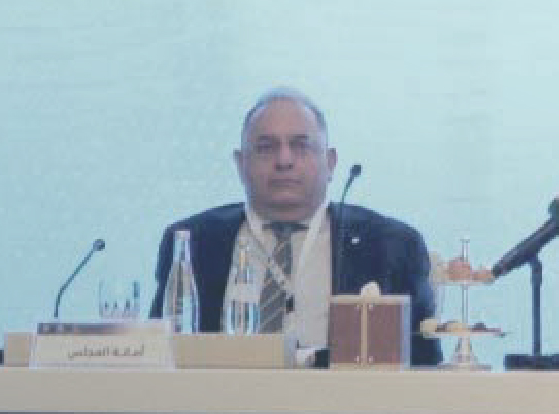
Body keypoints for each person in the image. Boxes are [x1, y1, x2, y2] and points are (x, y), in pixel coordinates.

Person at [152, 88, 438, 363]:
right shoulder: (194, 241)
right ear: (240, 164)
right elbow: (159, 355)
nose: (284, 161)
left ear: (330, 163)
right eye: (266, 148)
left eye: (300, 146)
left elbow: (425, 365)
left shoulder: (391, 245)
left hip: (343, 397)